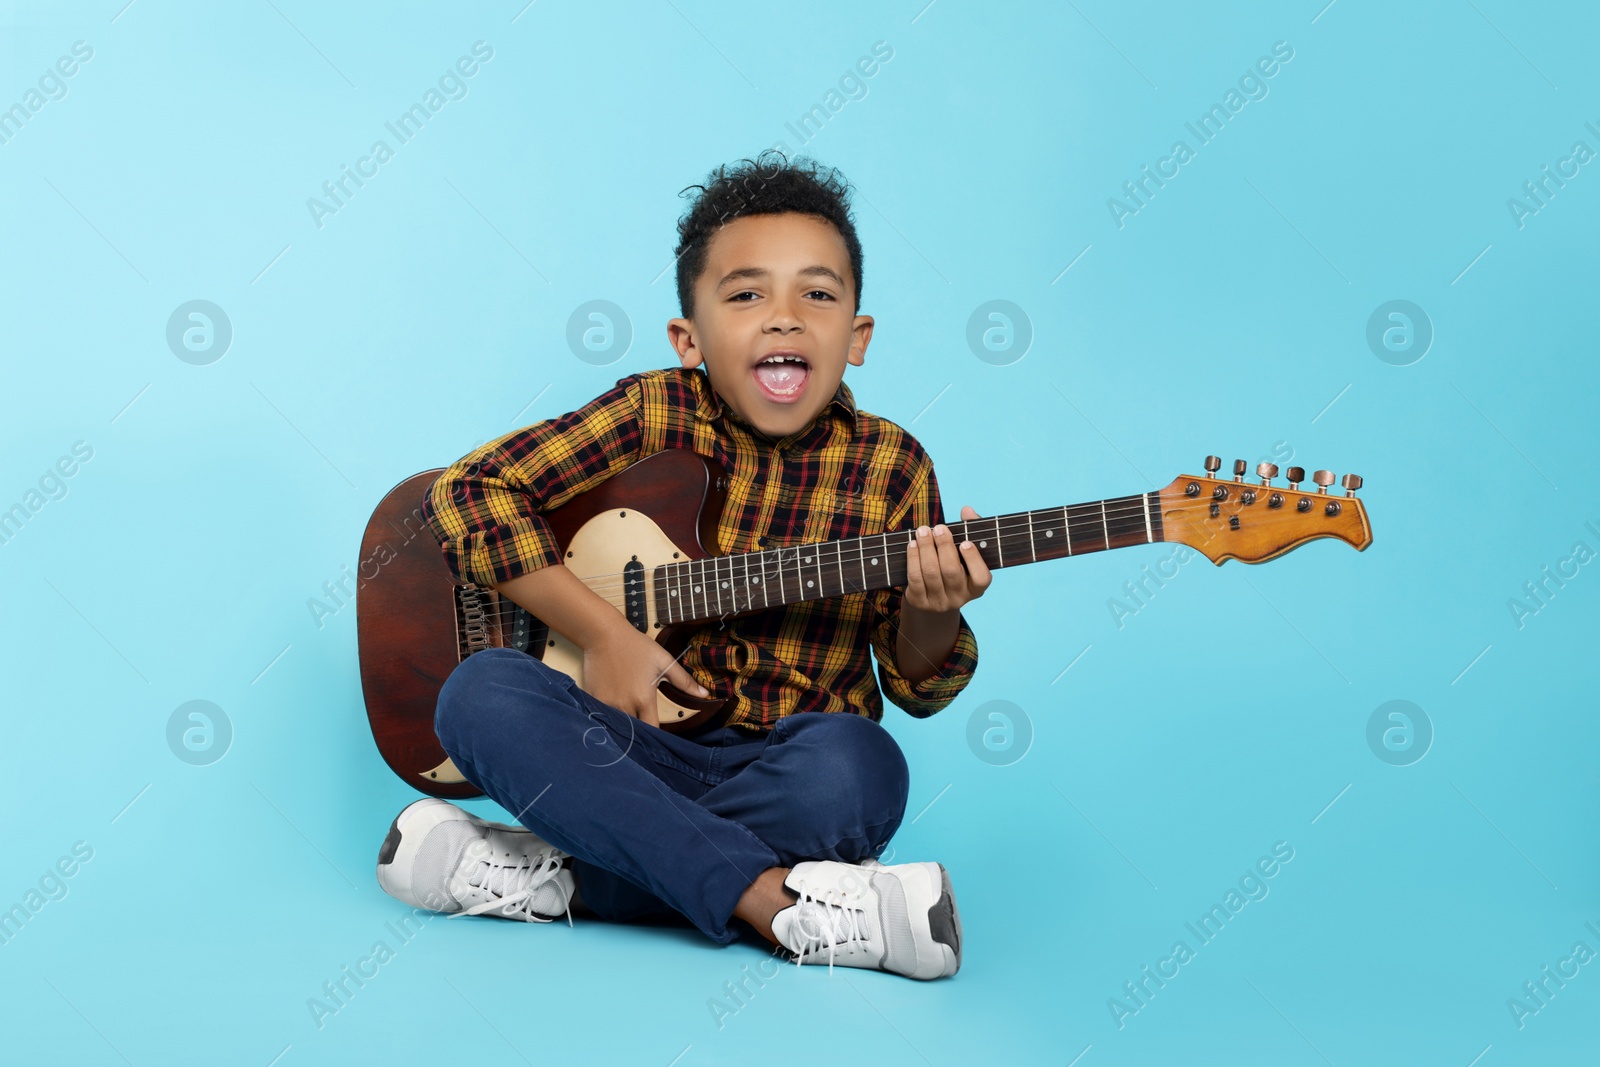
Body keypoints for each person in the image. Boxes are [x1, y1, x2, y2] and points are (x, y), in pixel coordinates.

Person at [374, 151, 990, 980]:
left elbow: (916, 682)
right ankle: (779, 904)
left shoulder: (893, 466)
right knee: (479, 695)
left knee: (862, 768)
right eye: (746, 294)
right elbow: (468, 492)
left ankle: (568, 876)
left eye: (818, 293)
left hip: (784, 768)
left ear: (858, 335)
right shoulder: (653, 412)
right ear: (689, 339)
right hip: (622, 752)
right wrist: (602, 635)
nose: (784, 319)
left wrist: (934, 608)